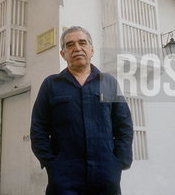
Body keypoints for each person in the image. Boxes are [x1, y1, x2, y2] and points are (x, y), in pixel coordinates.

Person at [30, 26, 133, 195]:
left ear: (91, 50)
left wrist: (119, 162)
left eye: (82, 43)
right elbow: (38, 128)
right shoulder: (51, 85)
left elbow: (124, 125)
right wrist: (51, 163)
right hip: (64, 176)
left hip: (105, 173)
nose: (77, 48)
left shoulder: (108, 83)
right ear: (63, 54)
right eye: (69, 45)